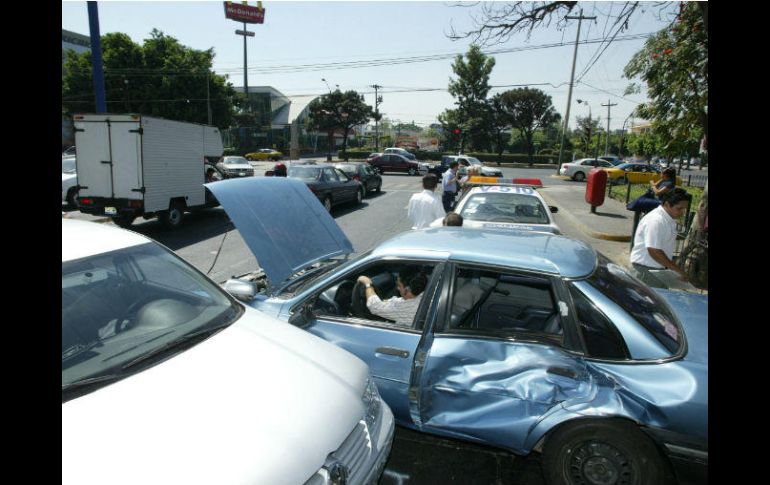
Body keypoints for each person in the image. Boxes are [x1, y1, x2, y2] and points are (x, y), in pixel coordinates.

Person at [629, 187, 690, 288]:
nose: (682, 213)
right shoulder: (656, 221)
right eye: (679, 209)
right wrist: (677, 270)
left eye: (684, 209)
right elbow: (654, 250)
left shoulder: (667, 218)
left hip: (656, 270)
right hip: (646, 272)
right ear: (666, 205)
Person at [357, 268, 427, 325]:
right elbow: (400, 301)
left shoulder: (406, 308)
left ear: (407, 289)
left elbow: (374, 306)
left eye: (399, 286)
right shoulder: (424, 296)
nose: (398, 288)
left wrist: (368, 284)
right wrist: (385, 302)